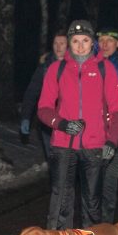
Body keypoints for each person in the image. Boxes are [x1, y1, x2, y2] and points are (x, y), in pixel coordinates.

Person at [37, 19, 118, 229]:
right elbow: (43, 108)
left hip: (94, 146)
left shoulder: (106, 69)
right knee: (62, 201)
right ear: (69, 43)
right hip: (63, 145)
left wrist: (112, 141)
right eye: (75, 41)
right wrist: (60, 123)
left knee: (92, 202)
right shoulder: (56, 69)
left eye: (85, 40)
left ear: (92, 42)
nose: (80, 45)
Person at [20, 30, 68, 160]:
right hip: (48, 122)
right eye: (55, 43)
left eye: (62, 43)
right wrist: (26, 117)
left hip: (70, 121)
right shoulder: (45, 67)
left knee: (69, 163)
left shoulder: (76, 65)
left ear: (68, 45)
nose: (58, 47)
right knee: (54, 160)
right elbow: (32, 92)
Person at [95, 25, 118, 223]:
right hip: (93, 134)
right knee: (92, 183)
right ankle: (91, 227)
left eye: (110, 41)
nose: (105, 44)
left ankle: (106, 227)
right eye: (102, 40)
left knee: (110, 182)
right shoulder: (88, 63)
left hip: (115, 133)